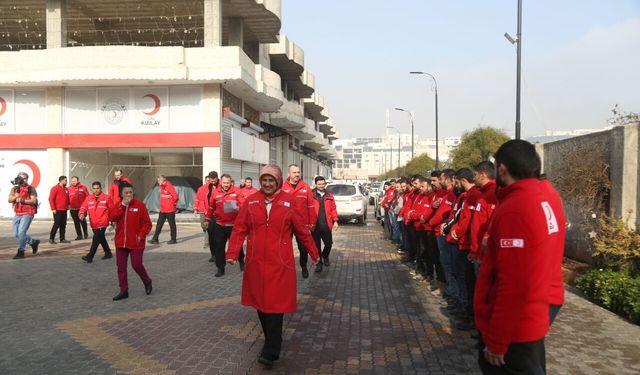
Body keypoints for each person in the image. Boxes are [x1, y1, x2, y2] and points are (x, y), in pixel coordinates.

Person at [474, 140, 565, 374]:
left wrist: (497, 341)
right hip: (537, 306)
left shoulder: (516, 208)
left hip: (518, 322)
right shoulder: (546, 193)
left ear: (502, 169)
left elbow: (513, 284)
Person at [226, 164, 319, 369]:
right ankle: (272, 341)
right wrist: (232, 253)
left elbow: (302, 231)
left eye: (271, 180)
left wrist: (314, 252)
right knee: (260, 305)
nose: (267, 184)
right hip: (256, 263)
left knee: (275, 307)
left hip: (280, 263)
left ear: (278, 181)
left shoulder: (290, 201)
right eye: (264, 180)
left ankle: (270, 350)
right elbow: (239, 228)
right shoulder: (251, 202)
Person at [109, 183, 153, 301]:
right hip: (121, 242)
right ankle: (124, 291)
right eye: (126, 193)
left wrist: (141, 235)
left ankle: (147, 281)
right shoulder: (118, 205)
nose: (129, 195)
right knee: (121, 267)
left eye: (130, 193)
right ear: (121, 194)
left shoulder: (140, 205)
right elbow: (112, 218)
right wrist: (123, 206)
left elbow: (147, 223)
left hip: (136, 242)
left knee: (136, 264)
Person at [281, 164, 317, 279]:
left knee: (303, 248)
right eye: (294, 172)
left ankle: (304, 266)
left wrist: (312, 222)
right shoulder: (282, 187)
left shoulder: (305, 187)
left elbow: (311, 206)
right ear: (288, 174)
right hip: (286, 223)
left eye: (298, 172)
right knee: (284, 246)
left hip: (302, 223)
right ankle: (284, 267)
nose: (297, 174)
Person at [207, 174, 245, 277]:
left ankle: (241, 261)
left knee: (237, 246)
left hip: (233, 225)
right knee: (219, 247)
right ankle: (220, 268)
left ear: (231, 182)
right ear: (221, 182)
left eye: (228, 183)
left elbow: (244, 204)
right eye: (224, 183)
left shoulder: (237, 191)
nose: (226, 185)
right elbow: (211, 207)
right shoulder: (215, 193)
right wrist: (207, 219)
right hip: (220, 224)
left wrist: (239, 207)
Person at [79, 182, 114, 263]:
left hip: (103, 223)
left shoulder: (107, 198)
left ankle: (90, 256)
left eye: (97, 188)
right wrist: (81, 214)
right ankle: (108, 253)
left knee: (95, 239)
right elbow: (83, 207)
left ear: (101, 188)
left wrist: (113, 221)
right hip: (93, 223)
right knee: (101, 238)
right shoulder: (88, 198)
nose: (96, 190)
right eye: (94, 188)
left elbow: (112, 210)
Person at [8, 172, 40, 259]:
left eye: (25, 178)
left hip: (28, 212)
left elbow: (33, 201)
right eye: (21, 178)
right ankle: (33, 242)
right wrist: (15, 197)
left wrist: (22, 200)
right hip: (17, 213)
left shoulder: (31, 188)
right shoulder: (14, 189)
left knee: (21, 232)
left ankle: (21, 252)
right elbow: (9, 199)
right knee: (16, 234)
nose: (23, 180)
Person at [311, 176, 339, 273]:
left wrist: (335, 221)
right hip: (315, 225)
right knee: (316, 246)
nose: (321, 186)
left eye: (323, 184)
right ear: (316, 184)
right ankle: (319, 264)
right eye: (319, 184)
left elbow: (333, 208)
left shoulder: (329, 195)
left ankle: (325, 256)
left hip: (326, 224)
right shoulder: (311, 195)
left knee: (328, 244)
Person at [149, 175, 179, 244]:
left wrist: (173, 204)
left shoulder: (169, 186)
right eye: (158, 180)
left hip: (170, 210)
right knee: (159, 224)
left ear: (163, 180)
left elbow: (176, 197)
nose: (158, 182)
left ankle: (173, 239)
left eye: (159, 180)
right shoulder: (162, 186)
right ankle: (155, 239)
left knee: (172, 225)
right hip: (163, 209)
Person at [48, 175, 70, 244]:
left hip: (64, 209)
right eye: (65, 180)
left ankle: (62, 239)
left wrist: (68, 205)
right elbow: (51, 199)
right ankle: (51, 238)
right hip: (57, 210)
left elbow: (67, 198)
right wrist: (53, 208)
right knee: (56, 224)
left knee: (63, 225)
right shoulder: (55, 188)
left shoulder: (66, 189)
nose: (66, 181)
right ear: (61, 181)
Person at [205, 171, 220, 263]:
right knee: (211, 235)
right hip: (211, 215)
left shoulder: (222, 186)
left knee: (219, 237)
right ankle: (213, 254)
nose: (213, 183)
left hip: (220, 215)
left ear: (217, 178)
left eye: (215, 181)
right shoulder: (208, 187)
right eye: (212, 181)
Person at [68, 176, 89, 240]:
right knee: (76, 222)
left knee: (82, 221)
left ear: (78, 181)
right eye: (72, 181)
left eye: (74, 181)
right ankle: (79, 235)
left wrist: (86, 206)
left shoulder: (83, 188)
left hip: (81, 209)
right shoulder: (69, 188)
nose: (73, 182)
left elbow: (88, 197)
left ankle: (85, 233)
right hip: (73, 209)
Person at [194, 175, 213, 249]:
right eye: (207, 180)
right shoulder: (201, 189)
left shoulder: (212, 189)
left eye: (209, 180)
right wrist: (195, 209)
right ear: (205, 181)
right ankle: (207, 236)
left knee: (208, 226)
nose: (208, 182)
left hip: (209, 211)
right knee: (203, 226)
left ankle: (207, 242)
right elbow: (197, 199)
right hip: (202, 210)